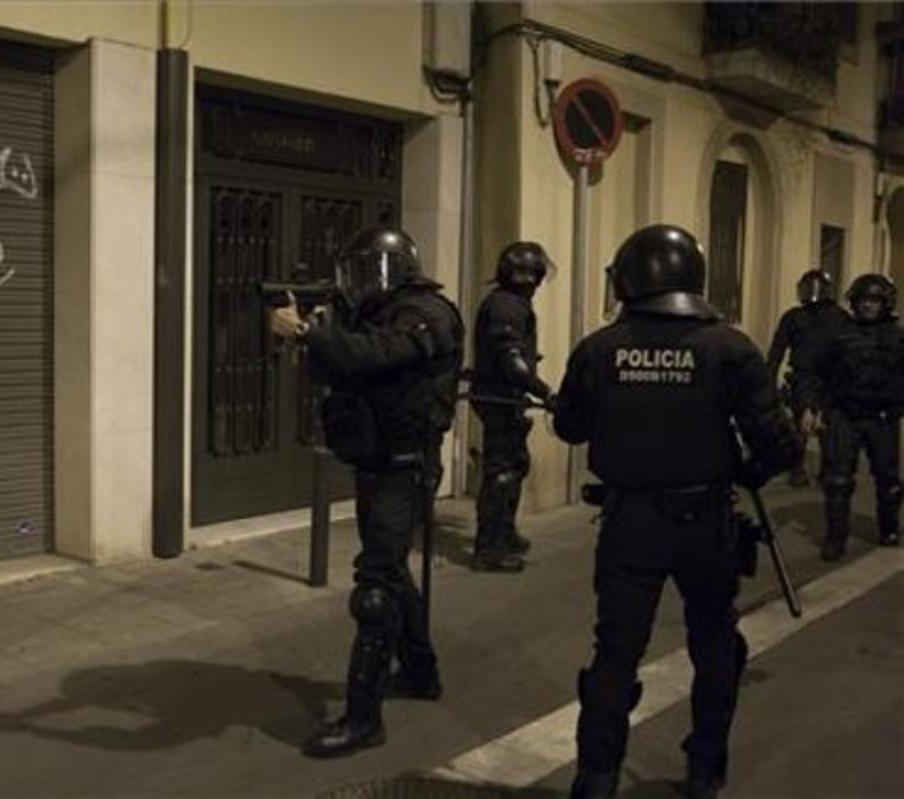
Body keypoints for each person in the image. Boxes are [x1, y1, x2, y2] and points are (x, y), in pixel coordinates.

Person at [552, 224, 801, 799]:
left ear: (630, 278)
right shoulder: (730, 347)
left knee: (614, 655)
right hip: (705, 524)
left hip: (628, 526)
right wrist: (743, 470)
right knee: (715, 644)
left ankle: (596, 776)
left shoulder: (600, 348)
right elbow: (780, 446)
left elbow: (569, 426)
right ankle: (705, 769)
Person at [267, 226, 464, 758]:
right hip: (375, 460)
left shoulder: (427, 312)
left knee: (375, 588)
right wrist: (312, 333)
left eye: (367, 271)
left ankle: (363, 716)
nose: (358, 284)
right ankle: (421, 672)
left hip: (406, 464)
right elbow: (337, 369)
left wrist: (311, 333)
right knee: (393, 570)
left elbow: (372, 356)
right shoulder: (371, 315)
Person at [797, 273, 904, 559]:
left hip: (882, 416)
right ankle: (835, 538)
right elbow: (811, 372)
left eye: (874, 300)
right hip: (845, 413)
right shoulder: (838, 336)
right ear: (854, 303)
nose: (868, 306)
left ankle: (889, 527)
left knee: (888, 479)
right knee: (837, 480)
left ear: (885, 303)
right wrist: (810, 405)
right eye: (863, 300)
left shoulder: (897, 337)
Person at [469, 241, 555, 572]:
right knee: (501, 471)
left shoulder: (508, 302)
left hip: (503, 395)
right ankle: (489, 546)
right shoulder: (508, 307)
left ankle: (504, 531)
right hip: (499, 397)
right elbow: (511, 360)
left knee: (515, 464)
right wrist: (545, 391)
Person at [765, 269, 850, 486]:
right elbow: (777, 351)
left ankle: (802, 469)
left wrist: (768, 380)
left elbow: (776, 352)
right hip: (813, 379)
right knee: (814, 427)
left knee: (810, 427)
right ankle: (811, 469)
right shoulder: (838, 317)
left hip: (821, 379)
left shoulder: (801, 317)